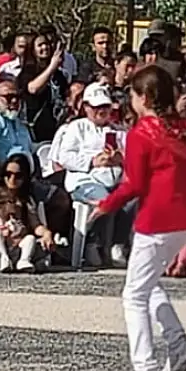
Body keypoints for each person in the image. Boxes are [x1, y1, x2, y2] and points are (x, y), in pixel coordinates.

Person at [90, 65, 186, 371]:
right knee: (146, 280)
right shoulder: (184, 129)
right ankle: (177, 341)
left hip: (159, 218)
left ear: (145, 97)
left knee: (133, 295)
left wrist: (106, 204)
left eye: (133, 94)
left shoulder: (142, 132)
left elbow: (135, 184)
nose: (130, 100)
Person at [51, 84, 129, 267]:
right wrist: (93, 161)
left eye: (105, 107)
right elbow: (65, 157)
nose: (101, 111)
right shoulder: (76, 128)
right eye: (96, 107)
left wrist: (121, 158)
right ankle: (92, 242)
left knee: (133, 198)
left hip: (115, 178)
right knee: (104, 199)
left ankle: (117, 243)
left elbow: (135, 157)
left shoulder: (120, 131)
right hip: (85, 180)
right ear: (86, 107)